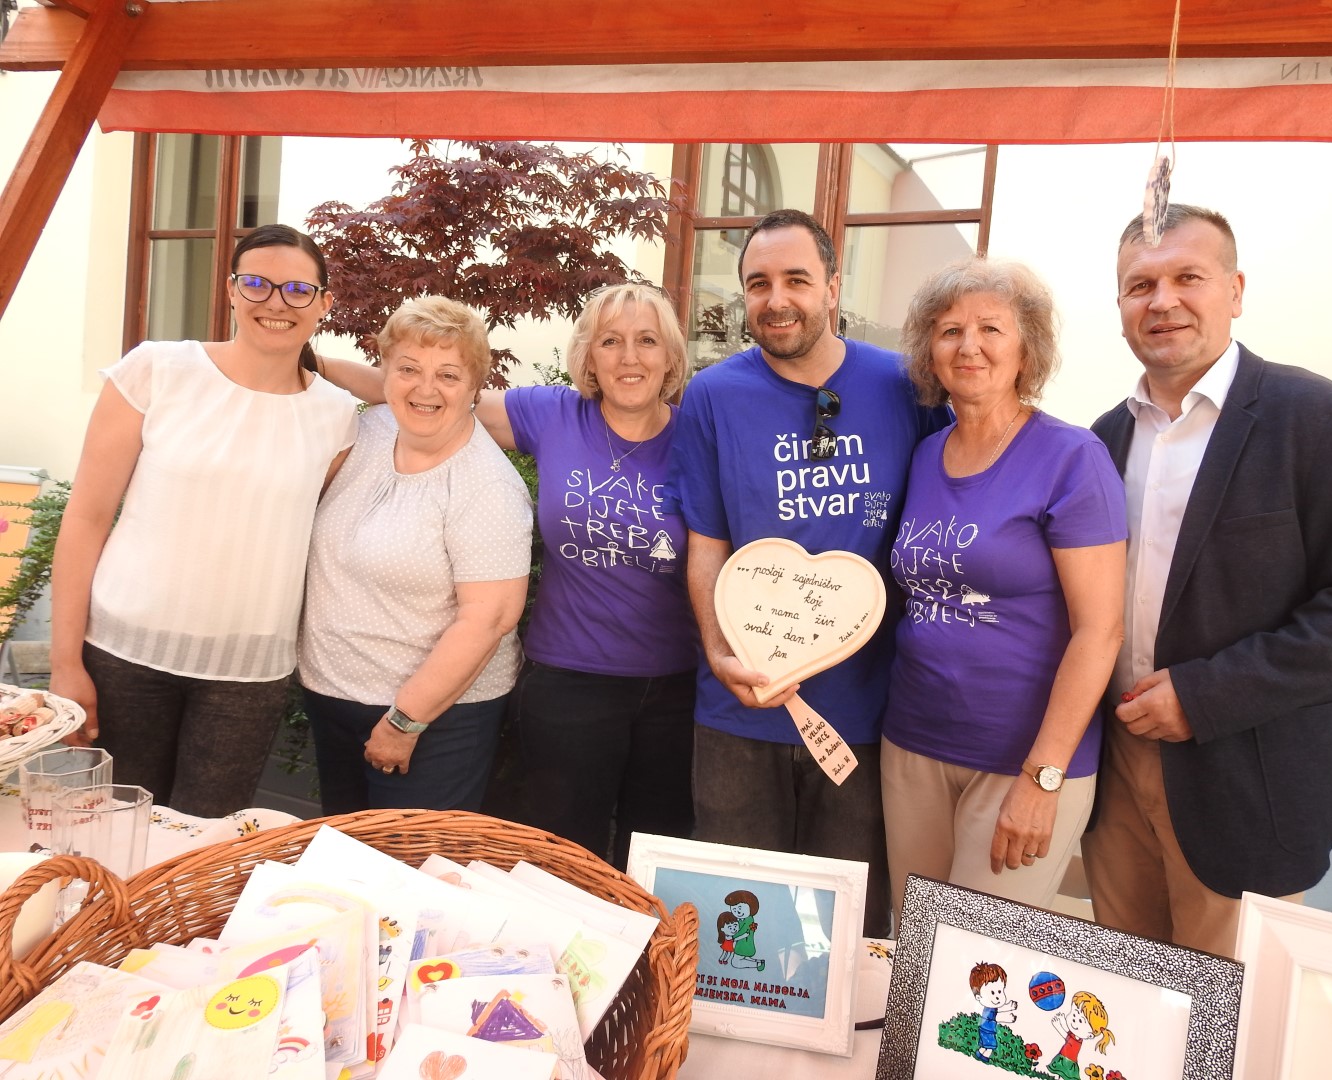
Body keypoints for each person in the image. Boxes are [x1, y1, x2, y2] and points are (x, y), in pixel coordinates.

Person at [1083, 204, 1332, 958]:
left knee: (1221, 1011)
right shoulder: (1102, 439)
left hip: (1243, 777)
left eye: (1188, 278)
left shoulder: (1317, 416)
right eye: (1140, 285)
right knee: (1122, 991)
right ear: (1120, 305)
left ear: (1235, 291)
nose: (1163, 301)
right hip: (1115, 772)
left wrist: (1205, 695)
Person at [322, 283, 697, 868]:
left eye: (647, 341)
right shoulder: (554, 415)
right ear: (588, 355)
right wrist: (306, 360)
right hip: (569, 682)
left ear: (670, 356)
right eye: (610, 341)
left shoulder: (699, 436)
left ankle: (648, 931)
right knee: (559, 860)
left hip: (677, 685)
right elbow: (436, 391)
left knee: (658, 858)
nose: (629, 357)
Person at [668, 208, 947, 936]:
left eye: (796, 278)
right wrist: (719, 653)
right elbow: (707, 542)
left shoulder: (905, 386)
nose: (776, 299)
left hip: (866, 713)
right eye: (758, 283)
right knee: (735, 928)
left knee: (847, 930)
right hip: (740, 708)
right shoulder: (713, 396)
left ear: (832, 285)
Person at [49, 225, 357, 817]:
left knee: (205, 847)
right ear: (231, 290)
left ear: (324, 304)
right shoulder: (157, 370)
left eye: (298, 289)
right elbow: (86, 517)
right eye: (257, 283)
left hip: (248, 676)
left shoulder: (337, 415)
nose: (276, 302)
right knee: (113, 832)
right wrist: (64, 664)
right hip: (123, 656)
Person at [880, 259, 1125, 918]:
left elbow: (1100, 631)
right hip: (913, 743)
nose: (970, 346)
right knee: (916, 945)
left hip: (1019, 759)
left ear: (1027, 348)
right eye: (950, 330)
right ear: (929, 349)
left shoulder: (1072, 458)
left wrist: (1043, 777)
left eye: (991, 328)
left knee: (978, 959)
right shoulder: (926, 455)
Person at [298, 296, 532, 814]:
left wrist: (405, 722)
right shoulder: (374, 428)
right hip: (334, 699)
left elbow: (488, 619)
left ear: (474, 387)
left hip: (431, 723)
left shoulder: (487, 486)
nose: (425, 389)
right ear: (385, 371)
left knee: (408, 860)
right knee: (344, 857)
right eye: (408, 369)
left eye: (448, 375)